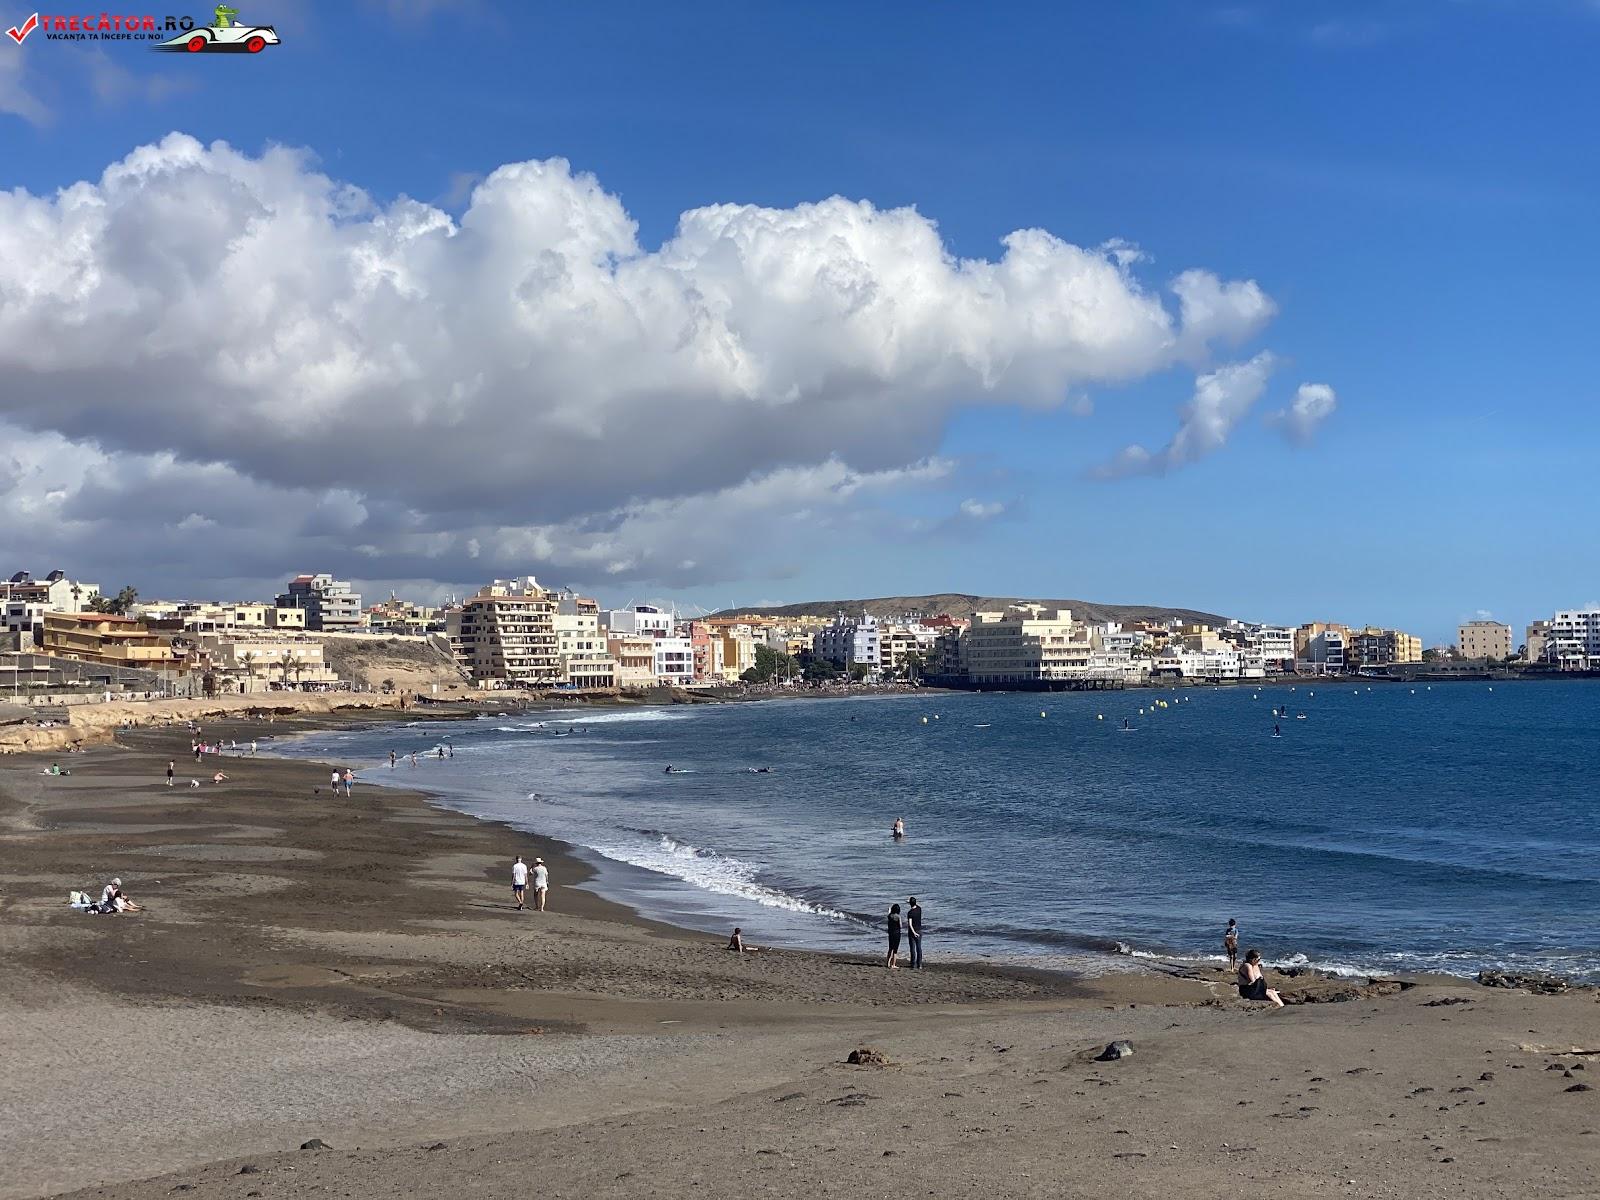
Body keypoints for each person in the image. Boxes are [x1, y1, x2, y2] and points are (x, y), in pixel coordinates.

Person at [906, 896, 924, 969]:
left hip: (912, 932)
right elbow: (915, 904)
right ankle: (919, 964)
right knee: (919, 948)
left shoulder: (910, 913)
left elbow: (910, 924)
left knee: (912, 949)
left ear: (910, 904)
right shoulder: (919, 909)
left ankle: (913, 964)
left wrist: (913, 932)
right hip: (919, 930)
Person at [886, 903, 902, 969]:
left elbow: (888, 914)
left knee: (890, 948)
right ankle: (893, 964)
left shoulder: (890, 916)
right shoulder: (898, 917)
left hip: (891, 933)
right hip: (897, 934)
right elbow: (900, 926)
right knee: (895, 950)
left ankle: (888, 963)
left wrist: (889, 910)